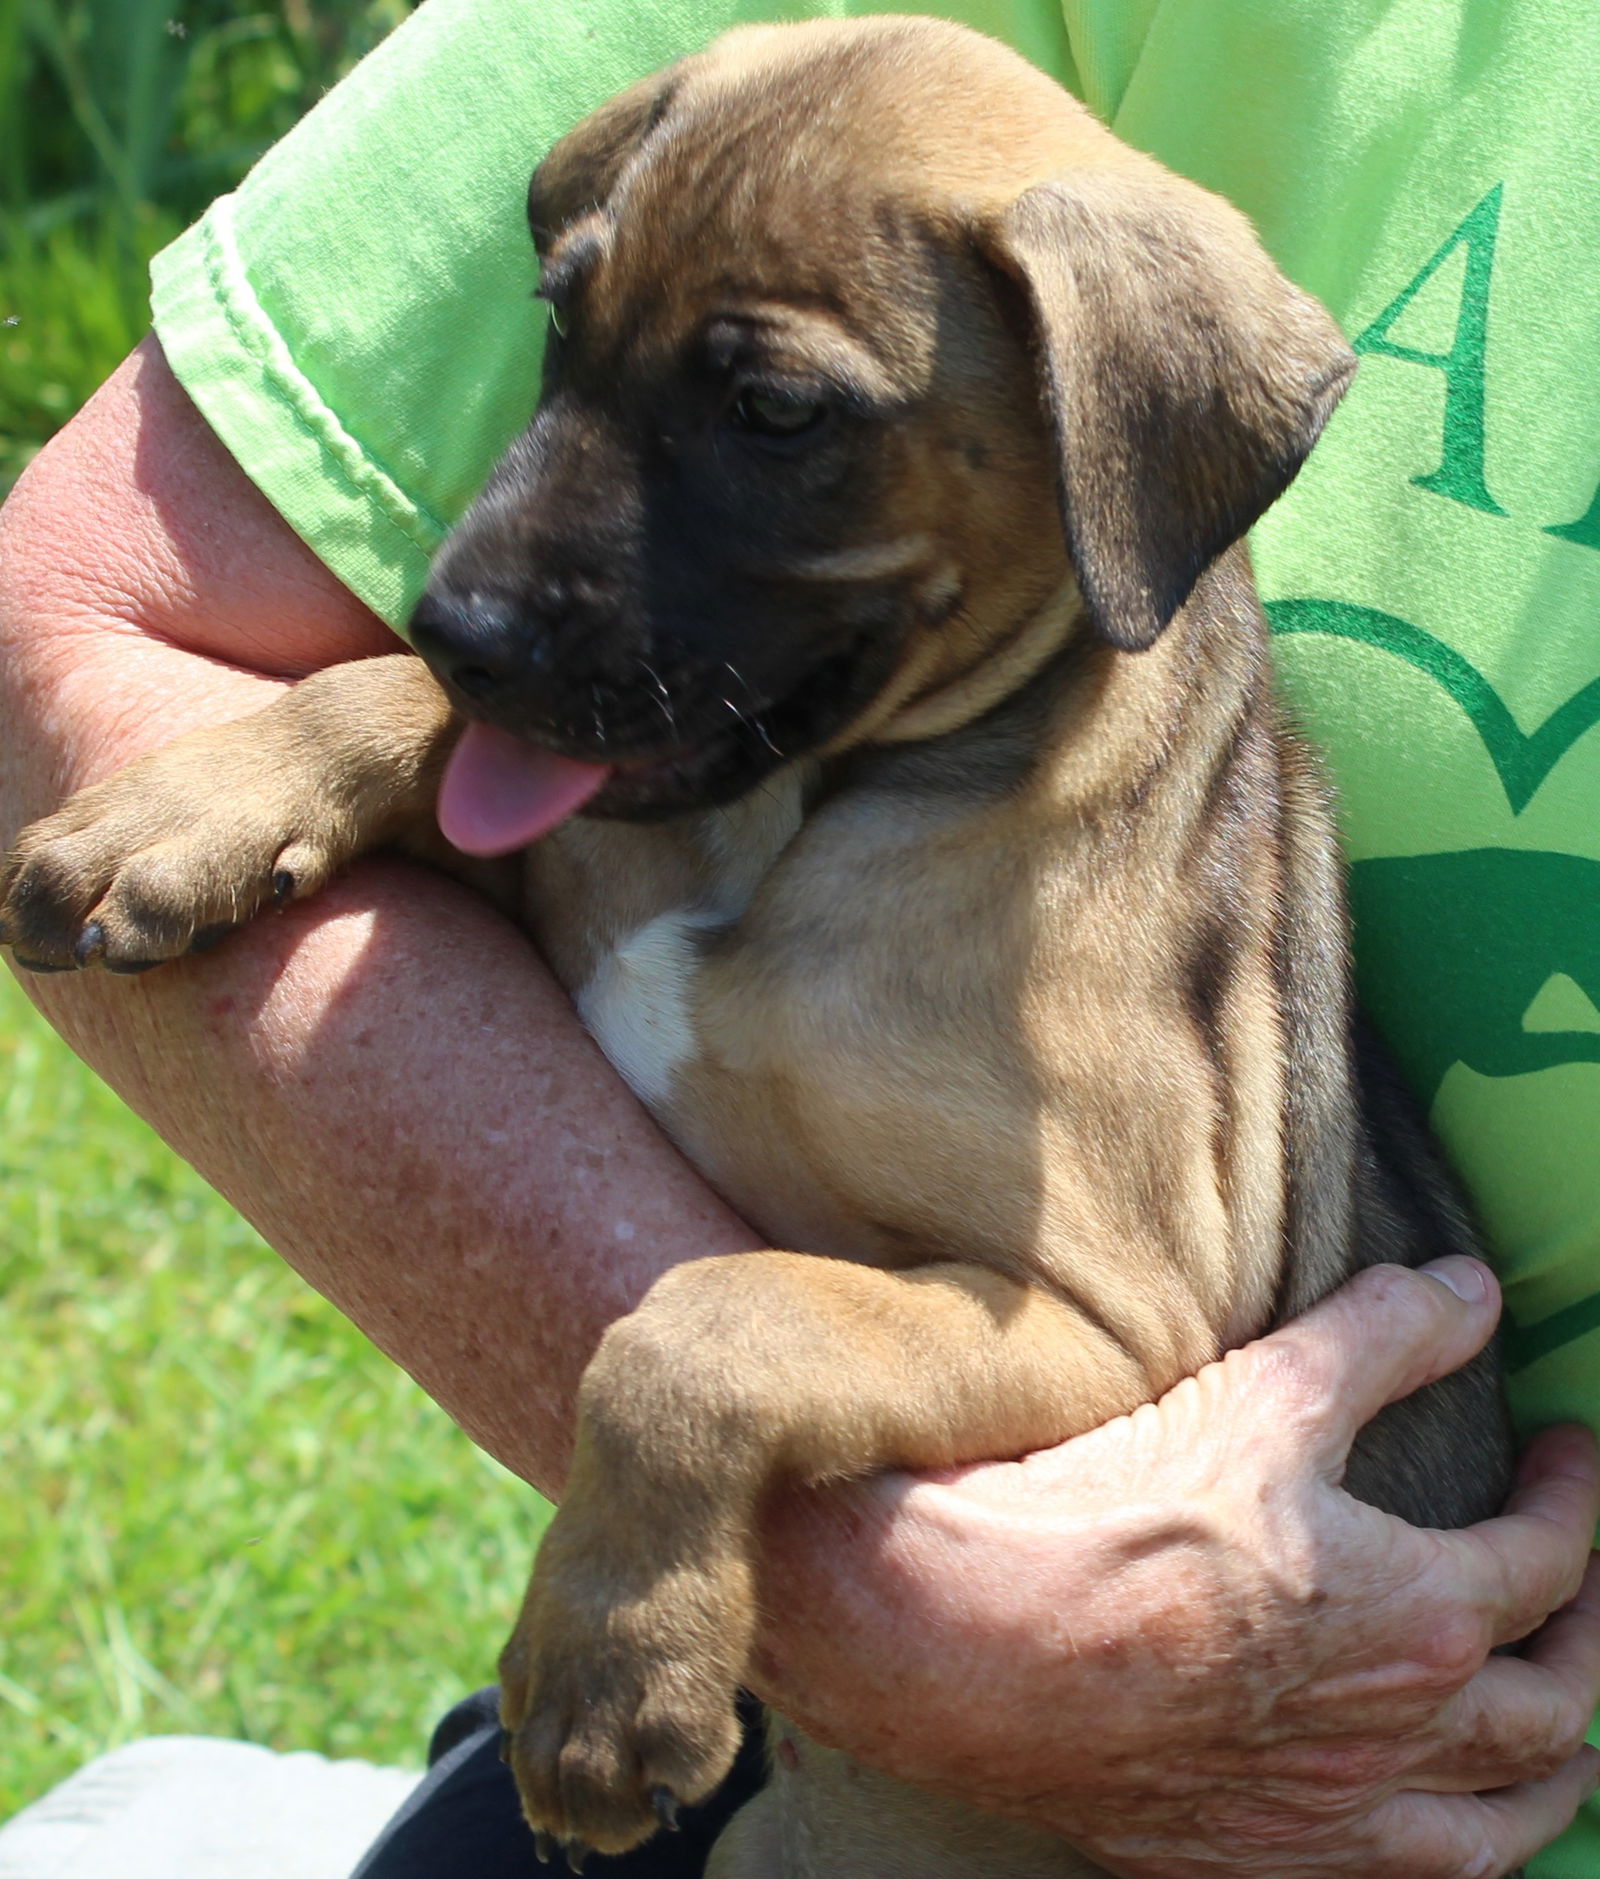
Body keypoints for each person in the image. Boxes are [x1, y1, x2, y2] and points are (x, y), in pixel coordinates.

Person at [4, 0, 1600, 1873]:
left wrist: (702, 1379)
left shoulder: (1069, 911)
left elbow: (1095, 1325)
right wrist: (359, 737)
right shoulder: (801, 722)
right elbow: (86, 632)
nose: (483, 592)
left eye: (777, 420)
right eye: (579, 349)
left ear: (1118, 448)